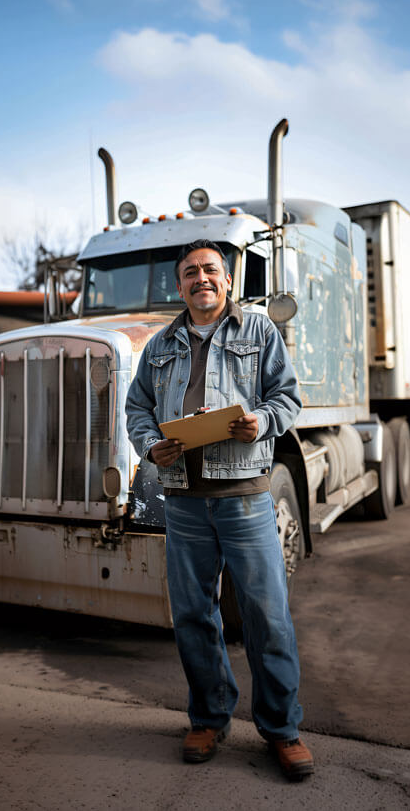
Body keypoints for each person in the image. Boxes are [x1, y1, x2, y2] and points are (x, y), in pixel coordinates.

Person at [125, 239, 314, 781]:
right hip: (183, 500)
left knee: (267, 616)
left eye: (210, 270)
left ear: (227, 281)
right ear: (179, 284)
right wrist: (148, 444)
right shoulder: (161, 344)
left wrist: (259, 420)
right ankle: (209, 717)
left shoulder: (258, 331)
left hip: (246, 497)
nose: (200, 279)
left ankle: (282, 730)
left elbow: (288, 397)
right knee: (191, 616)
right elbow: (138, 406)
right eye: (190, 272)